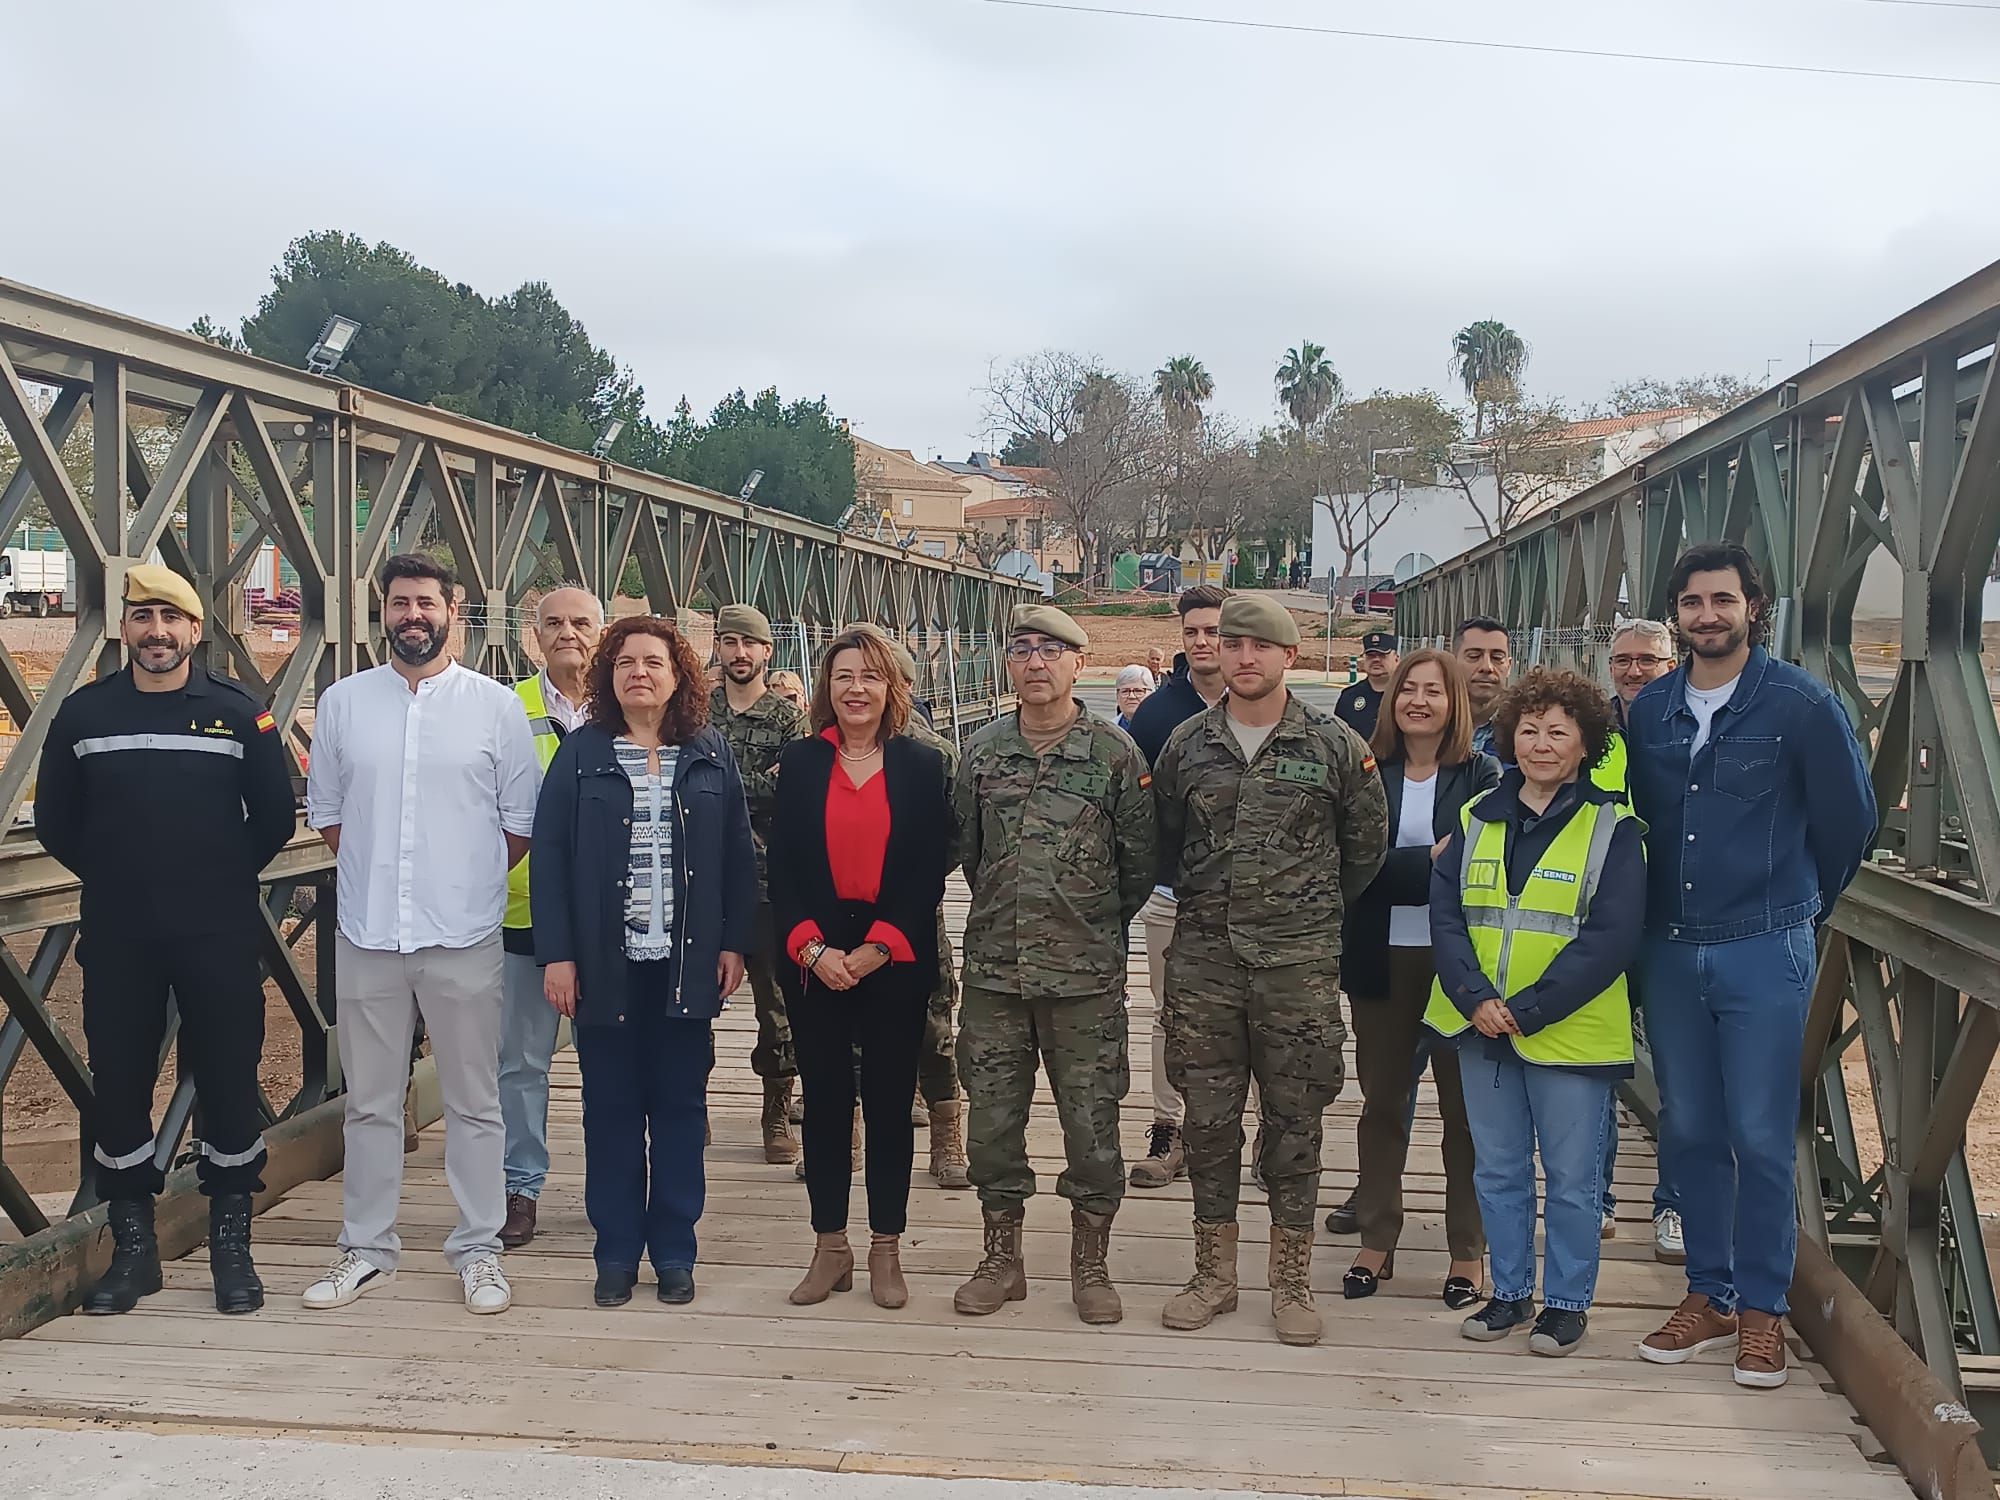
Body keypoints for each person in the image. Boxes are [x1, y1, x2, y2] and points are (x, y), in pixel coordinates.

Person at [1628, 542, 1875, 1389]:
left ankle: (1764, 1310)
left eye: (1722, 601)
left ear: (1753, 608)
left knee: (1763, 1138)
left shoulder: (1802, 706)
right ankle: (1712, 1293)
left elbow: (1850, 825)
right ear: (1677, 615)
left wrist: (1796, 907)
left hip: (1763, 944)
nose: (1707, 615)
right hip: (1669, 945)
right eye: (1692, 602)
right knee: (1690, 1127)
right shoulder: (1652, 709)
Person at [38, 565, 296, 1316]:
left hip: (217, 930)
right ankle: (134, 1249)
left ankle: (230, 1246)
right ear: (127, 628)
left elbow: (275, 818)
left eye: (171, 619)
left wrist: (211, 877)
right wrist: (124, 876)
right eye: (143, 617)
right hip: (120, 933)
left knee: (226, 1078)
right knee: (119, 1084)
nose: (157, 632)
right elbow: (56, 821)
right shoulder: (85, 716)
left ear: (195, 632)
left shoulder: (239, 712)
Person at [302, 554, 540, 1317]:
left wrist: (457, 883)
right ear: (384, 611)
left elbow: (517, 825)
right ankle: (366, 1247)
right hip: (369, 932)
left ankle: (479, 1247)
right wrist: (387, 879)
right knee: (369, 1101)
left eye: (426, 603)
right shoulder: (342, 702)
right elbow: (333, 817)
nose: (413, 615)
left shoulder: (495, 708)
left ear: (453, 610)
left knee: (474, 1101)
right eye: (400, 602)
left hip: (462, 933)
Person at [1153, 595, 1387, 1346]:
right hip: (1206, 966)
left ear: (1290, 656)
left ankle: (1290, 1278)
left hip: (1297, 968)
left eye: (1261, 646)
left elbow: (1365, 849)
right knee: (1211, 1122)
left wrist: (1304, 913)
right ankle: (1213, 1273)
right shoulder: (1186, 746)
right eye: (1232, 644)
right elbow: (1164, 841)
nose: (1244, 657)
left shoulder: (1334, 746)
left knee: (1295, 1123)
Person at [531, 616, 757, 1307]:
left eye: (653, 662)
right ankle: (617, 1254)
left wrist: (733, 942)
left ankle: (676, 1252)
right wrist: (558, 957)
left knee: (682, 1109)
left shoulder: (709, 752)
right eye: (625, 661)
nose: (639, 672)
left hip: (684, 965)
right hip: (606, 965)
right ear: (609, 674)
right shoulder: (582, 754)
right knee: (611, 1111)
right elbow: (551, 861)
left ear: (679, 673)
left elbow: (738, 857)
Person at [1425, 668, 1645, 1358]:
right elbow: (1448, 917)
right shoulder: (1473, 818)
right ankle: (1511, 1294)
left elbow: (1612, 938)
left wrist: (1526, 1008)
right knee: (1498, 1167)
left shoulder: (1614, 831)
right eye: (1528, 730)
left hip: (1568, 1033)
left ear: (1585, 744)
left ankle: (1568, 1303)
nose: (1541, 744)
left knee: (1574, 1179)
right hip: (1480, 1027)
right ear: (1509, 735)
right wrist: (1478, 1000)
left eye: (1558, 732)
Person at [952, 606, 1155, 1325]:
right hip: (996, 979)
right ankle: (1001, 1257)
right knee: (992, 1124)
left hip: (1085, 981)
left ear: (1080, 663)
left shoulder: (1114, 755)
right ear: (1007, 664)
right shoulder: (980, 754)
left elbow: (1138, 866)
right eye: (1022, 650)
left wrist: (1081, 925)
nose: (1036, 662)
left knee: (1092, 1125)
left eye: (1051, 650)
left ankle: (1090, 1260)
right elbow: (973, 856)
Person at [773, 627, 953, 1310]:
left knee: (886, 1103)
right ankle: (829, 1248)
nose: (857, 688)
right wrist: (813, 951)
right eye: (845, 675)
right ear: (827, 686)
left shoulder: (919, 765)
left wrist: (876, 948)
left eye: (871, 676)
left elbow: (924, 871)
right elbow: (783, 869)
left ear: (891, 689)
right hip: (814, 954)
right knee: (822, 1105)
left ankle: (884, 1248)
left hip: (893, 954)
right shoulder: (799, 761)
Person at [1338, 649, 1497, 1308]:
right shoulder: (1370, 773)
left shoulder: (1484, 774)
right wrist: (1423, 864)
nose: (1420, 701)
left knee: (1467, 1116)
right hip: (1382, 960)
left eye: (1435, 691)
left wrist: (1402, 868)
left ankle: (1468, 1249)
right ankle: (1377, 1236)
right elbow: (1354, 866)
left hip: (1460, 965)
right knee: (1381, 1106)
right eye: (1409, 690)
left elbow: (1477, 867)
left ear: (1454, 702)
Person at [499, 586, 601, 1252]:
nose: (568, 633)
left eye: (581, 622)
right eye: (554, 623)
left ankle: (612, 1185)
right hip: (522, 914)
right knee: (521, 1063)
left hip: (606, 919)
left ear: (605, 630)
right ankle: (521, 1187)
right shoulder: (504, 709)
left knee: (610, 1061)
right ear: (533, 636)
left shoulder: (632, 707)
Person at [1125, 585, 1228, 1190]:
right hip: (1170, 893)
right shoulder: (1158, 715)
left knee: (1257, 1016)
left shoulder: (1259, 703)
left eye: (1213, 630)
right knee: (1170, 1015)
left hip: (1248, 897)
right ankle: (1170, 1129)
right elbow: (1137, 807)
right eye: (1192, 632)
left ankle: (1265, 1129)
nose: (1203, 642)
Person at [1590, 618, 1682, 1262]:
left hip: (1675, 923)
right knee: (1596, 1065)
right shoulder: (1594, 736)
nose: (1633, 670)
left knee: (1680, 1073)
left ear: (1671, 662)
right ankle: (1594, 1197)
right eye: (1622, 660)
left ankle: (1674, 1204)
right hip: (1605, 921)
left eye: (1647, 660)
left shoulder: (1695, 728)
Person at [709, 603, 808, 1165]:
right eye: (729, 642)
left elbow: (791, 790)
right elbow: (682, 779)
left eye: (750, 644)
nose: (739, 653)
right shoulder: (697, 711)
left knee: (777, 1004)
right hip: (705, 876)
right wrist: (752, 782)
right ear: (719, 649)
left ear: (768, 652)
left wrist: (722, 782)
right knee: (696, 998)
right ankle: (693, 1107)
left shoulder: (788, 720)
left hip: (770, 881)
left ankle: (776, 1108)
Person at [1456, 617, 1513, 758]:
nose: (1487, 667)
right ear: (1453, 661)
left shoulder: (1523, 728)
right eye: (1474, 656)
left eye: (1497, 657)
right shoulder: (1431, 723)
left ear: (1509, 666)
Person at [1335, 631, 1399, 740]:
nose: (1376, 659)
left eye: (1382, 655)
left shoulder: (1405, 695)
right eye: (1370, 655)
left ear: (1396, 659)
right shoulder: (1349, 697)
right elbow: (1338, 738)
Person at [1113, 663, 1155, 730]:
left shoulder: (1165, 729)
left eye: (1138, 691)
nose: (1131, 696)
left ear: (1152, 695)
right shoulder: (1104, 731)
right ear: (1117, 696)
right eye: (1125, 691)